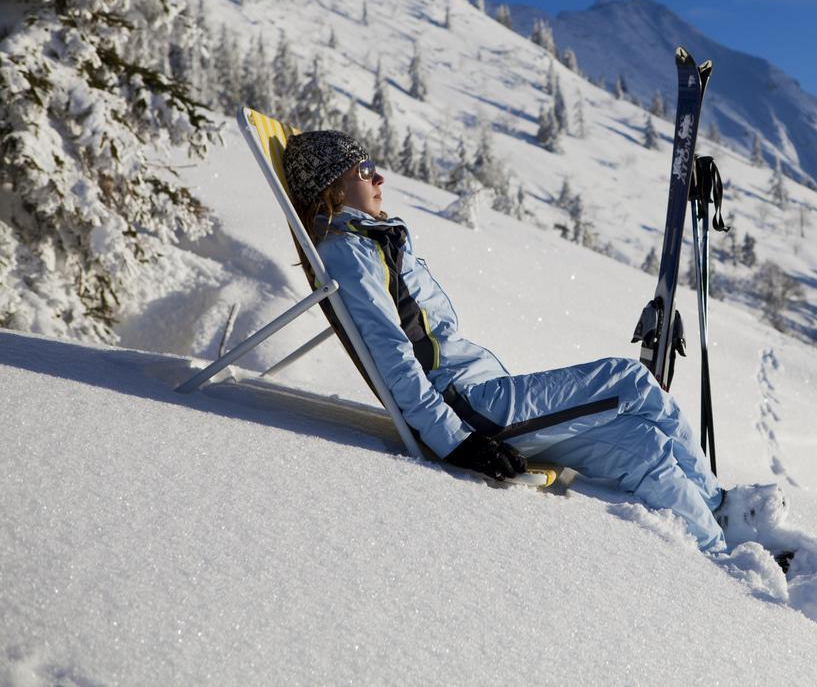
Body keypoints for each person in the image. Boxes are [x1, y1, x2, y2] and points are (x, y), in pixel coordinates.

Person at [282, 130, 783, 553]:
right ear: (331, 185)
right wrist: (456, 443)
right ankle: (724, 508)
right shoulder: (349, 252)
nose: (378, 176)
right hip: (470, 411)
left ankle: (724, 555)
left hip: (483, 397)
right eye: (362, 167)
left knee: (642, 445)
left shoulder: (371, 241)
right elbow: (393, 357)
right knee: (629, 379)